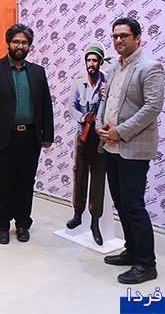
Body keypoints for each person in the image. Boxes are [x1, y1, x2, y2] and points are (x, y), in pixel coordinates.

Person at [96, 17, 164, 284]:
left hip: (134, 148)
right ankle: (132, 251)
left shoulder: (150, 67)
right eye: (114, 36)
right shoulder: (114, 67)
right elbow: (106, 100)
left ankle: (147, 264)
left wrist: (120, 131)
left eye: (123, 36)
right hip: (111, 146)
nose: (118, 40)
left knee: (134, 206)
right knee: (121, 203)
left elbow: (152, 107)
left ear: (137, 38)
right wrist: (101, 125)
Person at [0, 23, 54, 245]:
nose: (20, 46)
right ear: (8, 43)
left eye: (24, 42)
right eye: (16, 42)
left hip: (30, 138)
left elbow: (46, 105)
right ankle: (2, 225)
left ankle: (22, 224)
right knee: (1, 182)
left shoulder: (37, 72)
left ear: (29, 45)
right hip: (2, 139)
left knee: (25, 182)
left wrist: (47, 134)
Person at [66, 41, 107, 246]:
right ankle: (77, 214)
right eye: (89, 60)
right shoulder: (79, 80)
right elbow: (71, 106)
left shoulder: (106, 80)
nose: (91, 63)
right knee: (79, 175)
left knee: (98, 180)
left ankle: (95, 223)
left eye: (95, 60)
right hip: (82, 137)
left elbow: (111, 106)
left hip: (99, 140)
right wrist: (82, 118)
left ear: (100, 62)